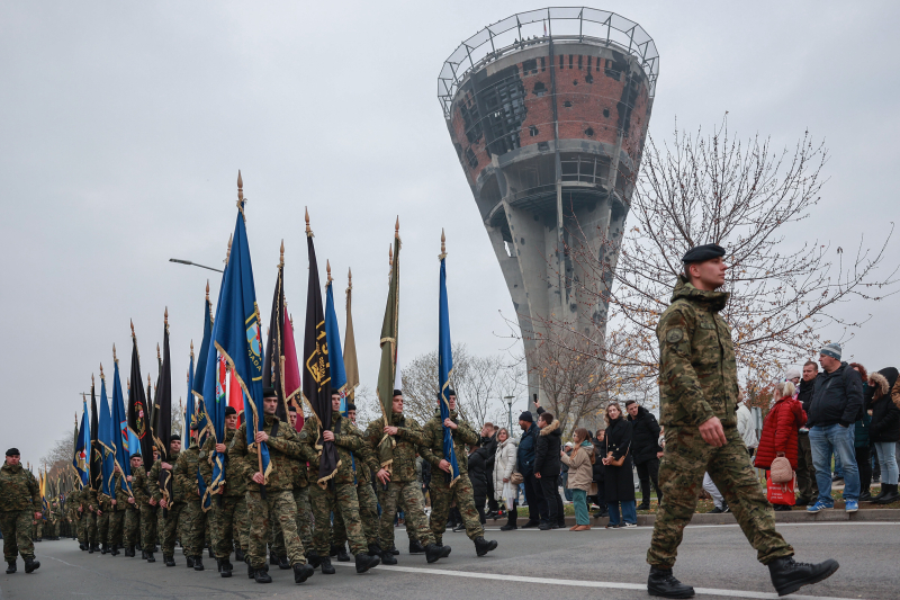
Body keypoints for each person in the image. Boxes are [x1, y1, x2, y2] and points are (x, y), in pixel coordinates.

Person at [647, 243, 838, 599]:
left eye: (722, 261)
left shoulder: (717, 320)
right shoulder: (680, 313)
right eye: (715, 262)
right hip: (692, 427)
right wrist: (703, 413)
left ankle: (782, 567)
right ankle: (659, 573)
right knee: (677, 503)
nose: (723, 267)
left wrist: (727, 406)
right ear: (694, 270)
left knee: (750, 496)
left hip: (724, 427)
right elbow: (675, 367)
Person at [231, 389, 316, 585]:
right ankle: (259, 566)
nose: (271, 404)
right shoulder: (246, 429)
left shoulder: (285, 428)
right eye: (267, 401)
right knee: (259, 530)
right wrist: (250, 473)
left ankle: (298, 564)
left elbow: (301, 450)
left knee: (289, 525)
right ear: (260, 404)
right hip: (257, 488)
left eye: (274, 401)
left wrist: (272, 440)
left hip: (282, 487)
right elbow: (234, 456)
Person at [300, 389, 381, 576]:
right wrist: (318, 461)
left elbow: (361, 442)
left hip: (344, 479)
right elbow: (302, 446)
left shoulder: (345, 424)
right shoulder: (313, 423)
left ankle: (361, 556)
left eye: (338, 399)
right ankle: (324, 557)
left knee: (353, 517)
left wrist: (338, 438)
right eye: (333, 399)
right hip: (320, 480)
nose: (337, 402)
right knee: (321, 522)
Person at [364, 390, 449, 565]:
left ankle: (429, 546)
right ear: (389, 403)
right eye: (396, 401)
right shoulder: (376, 426)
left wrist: (399, 431)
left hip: (409, 478)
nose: (400, 403)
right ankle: (386, 549)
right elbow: (366, 450)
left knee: (418, 512)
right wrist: (377, 469)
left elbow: (422, 438)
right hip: (388, 478)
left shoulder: (410, 423)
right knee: (388, 517)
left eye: (402, 400)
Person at [419, 389, 498, 557]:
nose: (453, 402)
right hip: (441, 476)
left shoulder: (459, 423)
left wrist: (455, 427)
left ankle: (479, 542)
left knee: (469, 507)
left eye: (454, 399)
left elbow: (476, 439)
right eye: (449, 399)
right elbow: (423, 449)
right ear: (440, 402)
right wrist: (437, 461)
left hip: (460, 473)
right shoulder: (431, 425)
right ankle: (436, 546)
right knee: (440, 512)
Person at [807, 342, 864, 513]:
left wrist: (844, 422)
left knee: (847, 463)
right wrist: (810, 422)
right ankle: (825, 500)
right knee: (820, 466)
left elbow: (856, 399)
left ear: (833, 357)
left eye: (823, 356)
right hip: (817, 428)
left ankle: (852, 498)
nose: (820, 359)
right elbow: (814, 400)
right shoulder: (821, 378)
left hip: (839, 427)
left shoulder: (849, 374)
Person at [754, 381, 807, 511]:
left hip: (777, 450)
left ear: (777, 392)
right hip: (779, 449)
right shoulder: (785, 406)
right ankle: (780, 503)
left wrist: (779, 449)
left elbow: (782, 430)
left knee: (777, 476)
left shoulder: (784, 406)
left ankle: (780, 503)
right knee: (781, 476)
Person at [174, 423, 210, 571]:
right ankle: (195, 556)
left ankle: (221, 556)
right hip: (195, 497)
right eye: (201, 432)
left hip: (214, 494)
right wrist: (194, 488)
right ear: (194, 434)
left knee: (215, 527)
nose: (205, 435)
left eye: (207, 432)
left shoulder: (214, 450)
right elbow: (178, 474)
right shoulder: (187, 455)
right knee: (196, 527)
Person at [0, 449, 41, 574]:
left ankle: (29, 561)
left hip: (24, 510)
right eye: (11, 456)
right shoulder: (1, 474)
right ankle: (11, 563)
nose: (14, 459)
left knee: (25, 534)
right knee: (9, 538)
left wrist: (38, 509)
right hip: (5, 511)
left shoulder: (26, 474)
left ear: (19, 458)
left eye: (16, 456)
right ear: (6, 457)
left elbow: (35, 493)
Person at [149, 436, 183, 567]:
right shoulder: (159, 463)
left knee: (188, 529)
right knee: (168, 530)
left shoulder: (184, 459)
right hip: (168, 502)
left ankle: (192, 556)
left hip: (185, 500)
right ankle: (168, 555)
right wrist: (158, 498)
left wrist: (172, 468)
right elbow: (151, 482)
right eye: (173, 442)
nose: (176, 445)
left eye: (178, 443)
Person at [868, 368, 900, 504]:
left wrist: (878, 426)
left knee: (890, 460)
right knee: (883, 462)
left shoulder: (892, 397)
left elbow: (893, 414)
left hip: (887, 433)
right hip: (878, 433)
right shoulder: (878, 396)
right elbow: (867, 405)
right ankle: (885, 489)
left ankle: (893, 490)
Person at [602, 403, 637, 528]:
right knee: (611, 492)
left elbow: (625, 442)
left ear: (619, 411)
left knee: (625, 490)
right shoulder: (607, 429)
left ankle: (630, 520)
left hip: (622, 460)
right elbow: (603, 447)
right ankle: (614, 521)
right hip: (609, 462)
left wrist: (614, 456)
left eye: (614, 410)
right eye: (610, 410)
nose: (612, 412)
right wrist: (604, 458)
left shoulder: (626, 424)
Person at [625, 400, 663, 510]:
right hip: (638, 455)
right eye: (631, 409)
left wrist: (659, 450)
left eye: (635, 407)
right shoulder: (629, 422)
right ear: (627, 410)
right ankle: (645, 504)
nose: (634, 410)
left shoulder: (647, 417)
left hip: (651, 453)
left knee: (656, 478)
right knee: (643, 480)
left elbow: (657, 433)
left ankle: (662, 502)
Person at [533, 410, 565, 530]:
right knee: (555, 494)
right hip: (555, 466)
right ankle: (560, 520)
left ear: (545, 422)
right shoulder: (555, 434)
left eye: (540, 420)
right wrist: (539, 408)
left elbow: (541, 454)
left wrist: (536, 469)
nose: (538, 421)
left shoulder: (544, 435)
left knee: (550, 495)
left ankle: (552, 521)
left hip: (546, 468)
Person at [560, 428, 595, 530]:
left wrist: (563, 456)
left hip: (581, 478)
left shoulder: (582, 450)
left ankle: (584, 522)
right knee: (577, 501)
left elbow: (574, 463)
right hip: (578, 478)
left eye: (575, 435)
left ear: (581, 437)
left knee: (580, 501)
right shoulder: (580, 448)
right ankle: (580, 522)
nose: (573, 437)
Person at [795, 362, 820, 505]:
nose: (805, 374)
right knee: (800, 464)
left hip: (811, 430)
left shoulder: (818, 386)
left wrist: (802, 406)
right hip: (797, 430)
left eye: (809, 371)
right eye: (804, 371)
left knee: (812, 465)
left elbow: (812, 406)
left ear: (816, 372)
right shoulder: (799, 389)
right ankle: (805, 494)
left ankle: (817, 494)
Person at [516, 410, 546, 528]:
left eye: (520, 420)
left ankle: (544, 519)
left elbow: (538, 451)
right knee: (530, 497)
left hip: (534, 470)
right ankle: (534, 519)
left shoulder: (536, 432)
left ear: (526, 421)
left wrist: (535, 467)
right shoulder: (525, 435)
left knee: (539, 496)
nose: (519, 423)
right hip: (526, 472)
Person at [493, 428, 519, 531]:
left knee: (510, 499)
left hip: (506, 479)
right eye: (500, 433)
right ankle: (511, 522)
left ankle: (512, 522)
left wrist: (506, 475)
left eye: (504, 433)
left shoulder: (510, 446)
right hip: (502, 478)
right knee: (507, 500)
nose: (502, 435)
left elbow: (511, 462)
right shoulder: (500, 447)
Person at [480, 423, 500, 518]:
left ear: (488, 429)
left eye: (483, 430)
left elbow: (496, 454)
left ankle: (496, 510)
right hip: (487, 470)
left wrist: (486, 462)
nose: (482, 431)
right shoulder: (487, 441)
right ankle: (492, 509)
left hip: (493, 469)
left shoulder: (496, 440)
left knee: (493, 490)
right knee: (489, 491)